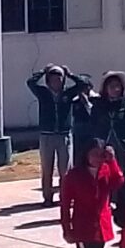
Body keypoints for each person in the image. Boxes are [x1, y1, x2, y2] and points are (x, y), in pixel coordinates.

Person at [29, 65, 78, 204]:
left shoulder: (68, 93)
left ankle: (66, 196)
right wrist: (43, 71)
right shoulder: (42, 93)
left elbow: (84, 84)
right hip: (47, 135)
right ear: (48, 80)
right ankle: (47, 197)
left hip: (64, 135)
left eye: (59, 78)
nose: (56, 81)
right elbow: (30, 82)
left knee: (66, 169)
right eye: (52, 78)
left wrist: (70, 74)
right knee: (47, 167)